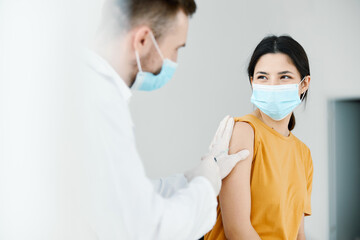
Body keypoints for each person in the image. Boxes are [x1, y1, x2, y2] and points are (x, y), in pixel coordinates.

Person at [76, 0, 249, 239]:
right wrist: (205, 188)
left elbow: (126, 197)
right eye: (177, 48)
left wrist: (192, 178)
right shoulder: (101, 104)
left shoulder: (84, 87)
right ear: (143, 40)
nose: (173, 61)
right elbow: (148, 228)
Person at [204, 35, 314, 240]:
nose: (272, 85)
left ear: (304, 84)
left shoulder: (303, 154)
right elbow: (237, 230)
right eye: (263, 77)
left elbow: (298, 233)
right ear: (252, 82)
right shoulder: (244, 132)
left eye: (284, 77)